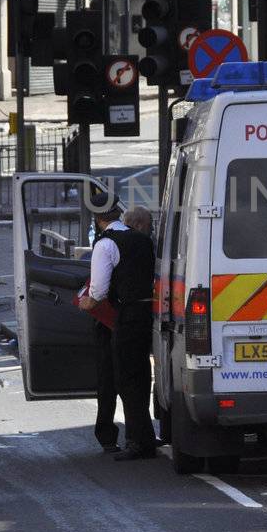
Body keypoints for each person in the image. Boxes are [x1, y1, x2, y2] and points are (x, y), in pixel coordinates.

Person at [78, 190, 158, 461]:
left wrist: (84, 303)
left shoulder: (105, 244)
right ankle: (145, 437)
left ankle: (138, 442)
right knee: (141, 376)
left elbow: (98, 291)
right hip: (146, 312)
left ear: (98, 218)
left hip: (125, 316)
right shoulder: (142, 240)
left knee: (126, 380)